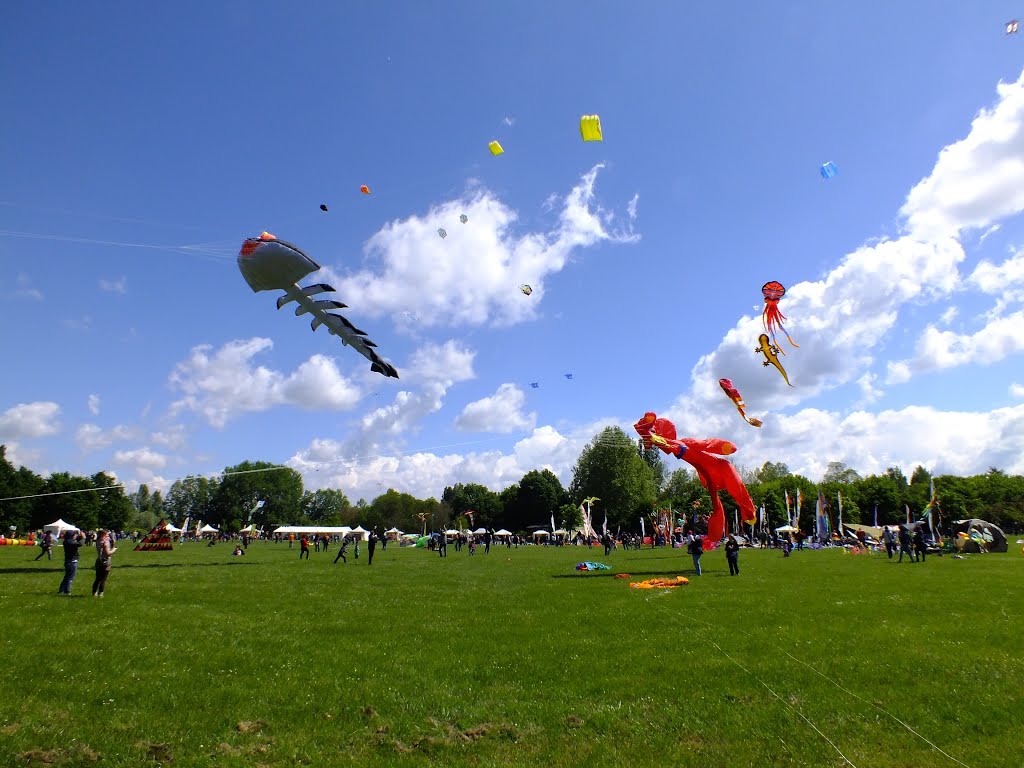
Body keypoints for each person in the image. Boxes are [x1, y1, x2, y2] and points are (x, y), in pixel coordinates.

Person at [91, 530, 117, 598]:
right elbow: (108, 553)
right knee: (103, 579)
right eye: (107, 535)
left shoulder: (97, 541)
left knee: (97, 578)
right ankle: (101, 593)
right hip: (106, 561)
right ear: (103, 535)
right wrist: (114, 549)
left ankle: (94, 593)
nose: (108, 536)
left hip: (98, 560)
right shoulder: (105, 543)